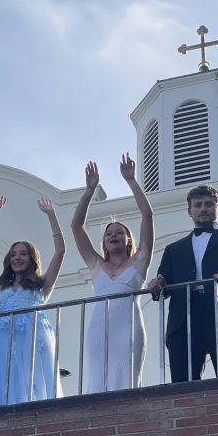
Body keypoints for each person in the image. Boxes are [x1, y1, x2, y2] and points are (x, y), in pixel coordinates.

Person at [146, 185, 218, 382]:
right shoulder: (174, 249)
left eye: (208, 204)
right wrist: (157, 284)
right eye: (197, 205)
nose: (203, 209)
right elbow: (164, 281)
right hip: (183, 318)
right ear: (189, 211)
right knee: (182, 385)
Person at [70, 154, 154, 392]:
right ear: (104, 242)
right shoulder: (96, 264)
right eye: (108, 233)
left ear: (129, 240)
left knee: (128, 381)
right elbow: (76, 226)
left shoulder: (139, 262)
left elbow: (147, 216)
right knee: (98, 382)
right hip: (99, 329)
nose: (113, 235)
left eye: (119, 232)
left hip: (129, 329)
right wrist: (89, 190)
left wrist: (131, 181)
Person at [0, 196, 65, 407]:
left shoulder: (41, 285)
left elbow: (60, 252)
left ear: (32, 259)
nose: (17, 257)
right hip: (1, 341)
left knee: (31, 384)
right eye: (13, 254)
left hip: (31, 341)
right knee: (1, 384)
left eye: (23, 254)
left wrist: (51, 215)